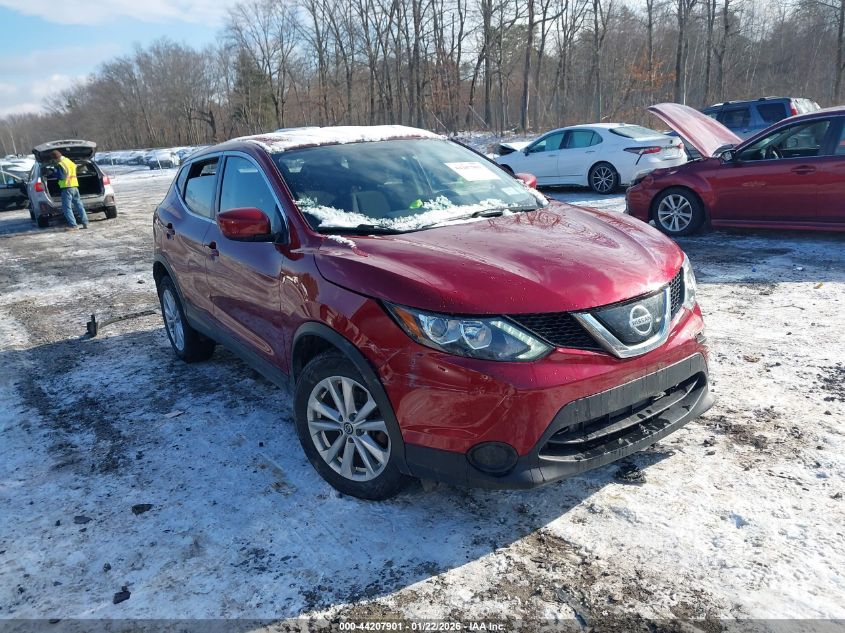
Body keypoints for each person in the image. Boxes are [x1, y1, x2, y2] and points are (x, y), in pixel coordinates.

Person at [51, 149, 89, 230]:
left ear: (55, 158)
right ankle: (85, 223)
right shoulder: (68, 161)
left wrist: (53, 172)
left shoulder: (60, 164)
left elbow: (61, 176)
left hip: (67, 188)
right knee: (79, 205)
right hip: (75, 186)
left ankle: (73, 225)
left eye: (54, 159)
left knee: (66, 208)